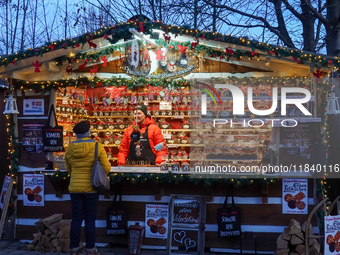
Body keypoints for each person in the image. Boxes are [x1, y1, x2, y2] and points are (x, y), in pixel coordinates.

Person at [65, 121, 111, 255]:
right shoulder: (97, 146)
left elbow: (69, 169)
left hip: (75, 188)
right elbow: (106, 168)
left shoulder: (69, 148)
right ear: (88, 132)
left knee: (76, 219)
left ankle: (73, 248)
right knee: (90, 219)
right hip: (92, 188)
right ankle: (90, 248)